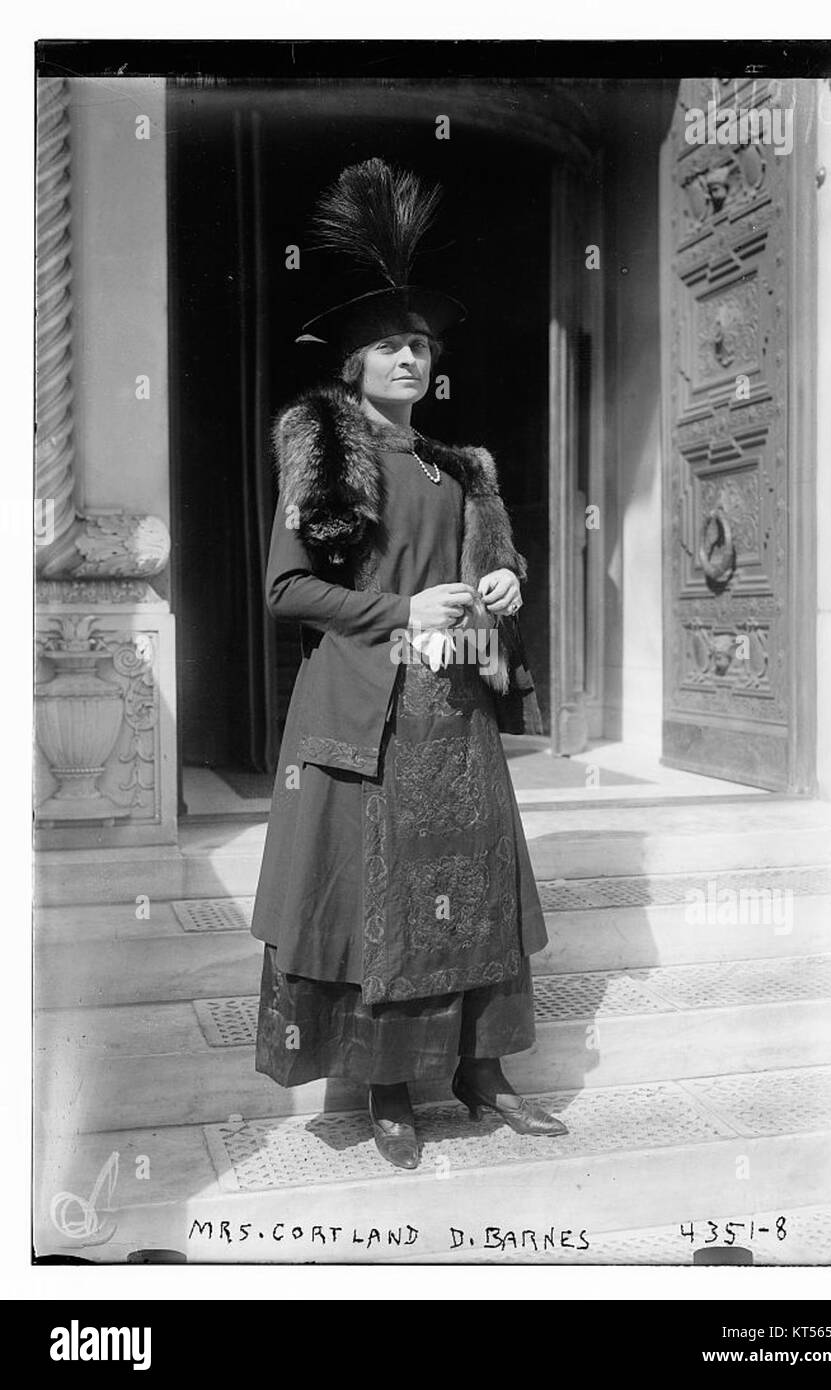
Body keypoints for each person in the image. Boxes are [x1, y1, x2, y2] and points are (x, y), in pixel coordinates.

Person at [251, 158, 567, 1169]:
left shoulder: (460, 467)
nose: (409, 357)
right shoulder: (324, 457)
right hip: (368, 714)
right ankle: (387, 1087)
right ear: (350, 364)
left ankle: (482, 1072)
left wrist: (505, 583)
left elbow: (479, 579)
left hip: (455, 712)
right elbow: (285, 591)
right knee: (385, 899)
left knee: (471, 889)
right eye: (390, 343)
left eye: (421, 345)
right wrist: (400, 606)